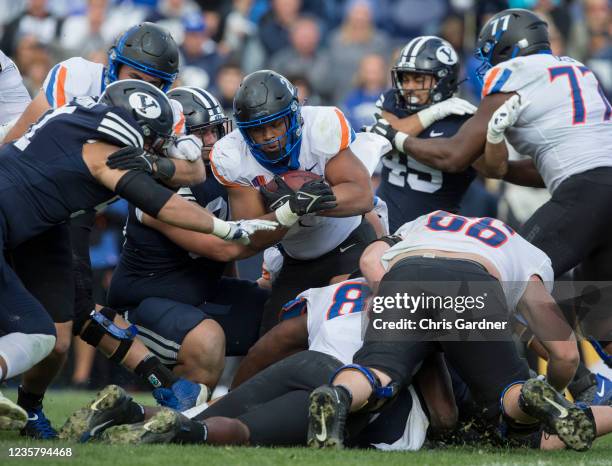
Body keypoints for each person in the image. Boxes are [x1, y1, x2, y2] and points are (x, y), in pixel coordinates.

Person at [0, 79, 274, 434]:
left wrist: (158, 163)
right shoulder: (104, 153)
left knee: (54, 327)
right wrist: (230, 229)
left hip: (44, 220)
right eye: (155, 141)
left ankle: (33, 410)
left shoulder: (84, 119)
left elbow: (188, 170)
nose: (160, 149)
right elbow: (164, 202)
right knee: (37, 329)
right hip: (136, 292)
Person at [367, 8, 612, 405]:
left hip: (583, 193)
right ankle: (594, 384)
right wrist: (494, 147)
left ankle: (570, 390)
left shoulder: (514, 72)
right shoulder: (577, 70)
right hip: (596, 189)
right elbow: (544, 168)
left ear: (506, 48)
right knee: (601, 319)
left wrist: (396, 138)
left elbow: (455, 156)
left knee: (511, 279)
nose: (486, 64)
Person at [2, 22, 204, 440]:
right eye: (136, 77)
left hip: (73, 212)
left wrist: (150, 165)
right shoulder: (76, 76)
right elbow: (21, 138)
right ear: (114, 66)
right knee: (71, 308)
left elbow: (193, 169)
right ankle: (158, 378)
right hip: (37, 195)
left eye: (154, 83)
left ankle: (30, 408)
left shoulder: (169, 112)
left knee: (58, 337)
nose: (144, 89)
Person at [307, 210, 595, 452]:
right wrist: (554, 389)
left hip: (405, 273)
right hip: (470, 280)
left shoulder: (427, 221)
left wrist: (390, 298)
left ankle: (338, 395)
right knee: (507, 395)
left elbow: (370, 259)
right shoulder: (525, 252)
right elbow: (566, 354)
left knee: (378, 370)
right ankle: (530, 396)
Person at [59, 277, 451, 449]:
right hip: (344, 385)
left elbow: (276, 341)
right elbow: (444, 413)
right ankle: (178, 433)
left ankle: (127, 410)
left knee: (205, 415)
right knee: (241, 432)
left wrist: (240, 390)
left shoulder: (335, 290)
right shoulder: (426, 304)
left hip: (306, 361)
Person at [105, 86, 268, 393]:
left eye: (215, 131)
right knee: (205, 342)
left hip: (198, 296)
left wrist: (239, 288)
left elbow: (223, 260)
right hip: (142, 305)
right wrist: (286, 216)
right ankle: (180, 420)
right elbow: (220, 246)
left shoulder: (221, 172)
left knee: (283, 318)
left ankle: (241, 407)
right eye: (199, 134)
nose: (211, 142)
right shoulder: (152, 187)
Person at [209, 69, 381, 336]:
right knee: (268, 346)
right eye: (258, 129)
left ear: (293, 116)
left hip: (347, 244)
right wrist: (290, 210)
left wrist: (312, 201)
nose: (268, 137)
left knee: (347, 328)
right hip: (297, 259)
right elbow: (250, 233)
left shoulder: (321, 126)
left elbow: (361, 196)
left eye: (275, 124)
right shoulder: (231, 155)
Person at [365, 36, 478, 233]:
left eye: (418, 79)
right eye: (405, 79)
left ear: (444, 79)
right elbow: (388, 134)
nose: (409, 87)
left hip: (432, 232)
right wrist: (434, 112)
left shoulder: (462, 117)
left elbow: (453, 158)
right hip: (383, 222)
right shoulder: (394, 101)